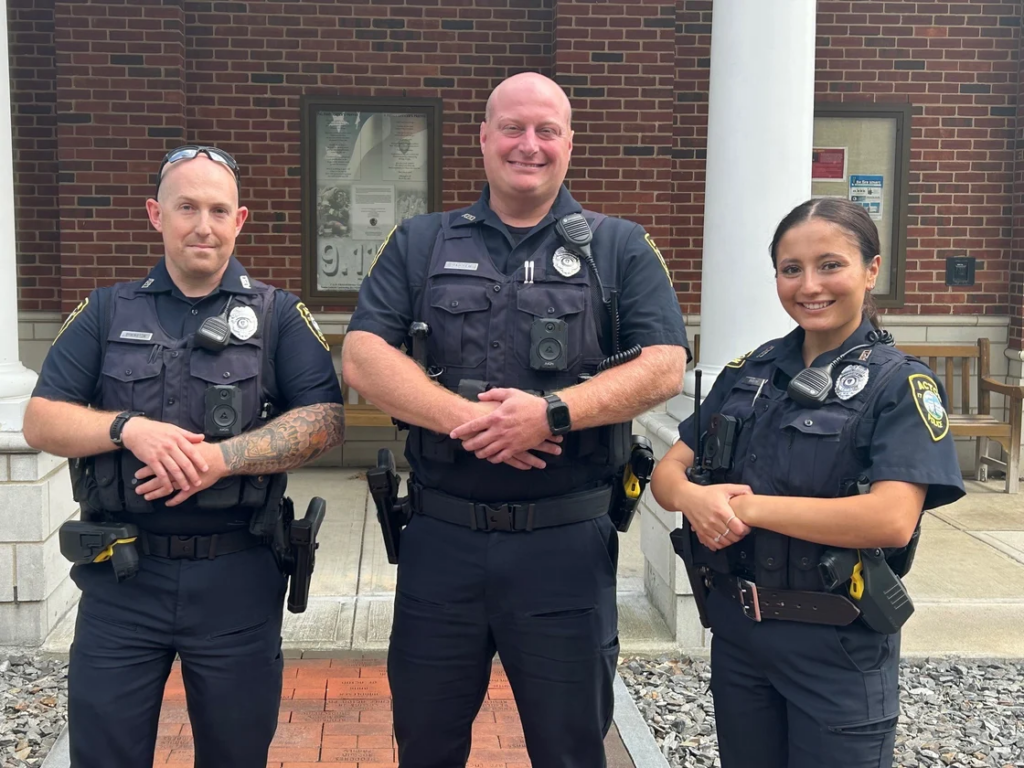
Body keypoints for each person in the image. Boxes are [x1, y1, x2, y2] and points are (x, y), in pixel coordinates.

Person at [342, 72, 689, 767]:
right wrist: (465, 419)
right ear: (484, 137)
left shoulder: (619, 247)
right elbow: (360, 355)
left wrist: (552, 414)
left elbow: (665, 364)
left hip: (565, 547)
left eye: (546, 130)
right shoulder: (419, 242)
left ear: (568, 143)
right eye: (512, 127)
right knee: (426, 744)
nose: (528, 145)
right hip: (442, 541)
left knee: (568, 748)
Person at [23, 145, 345, 768]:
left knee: (235, 755)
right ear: (156, 214)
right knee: (104, 756)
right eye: (187, 207)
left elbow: (325, 420)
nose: (204, 224)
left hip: (237, 577)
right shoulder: (104, 311)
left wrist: (225, 459)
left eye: (219, 210)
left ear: (240, 220)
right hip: (122, 576)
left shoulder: (278, 315)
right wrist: (127, 427)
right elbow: (41, 420)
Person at [650, 198, 965, 768]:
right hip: (741, 637)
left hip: (838, 649)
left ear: (871, 270)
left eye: (830, 265)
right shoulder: (750, 372)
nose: (809, 285)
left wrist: (749, 510)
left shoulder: (899, 385)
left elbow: (890, 519)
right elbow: (668, 474)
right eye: (790, 269)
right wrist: (696, 499)